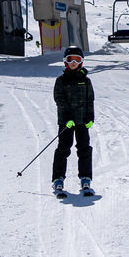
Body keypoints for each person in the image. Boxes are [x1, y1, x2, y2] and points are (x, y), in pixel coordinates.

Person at [52, 46, 95, 197]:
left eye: (77, 59)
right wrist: (67, 118)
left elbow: (90, 100)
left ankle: (85, 178)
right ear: (65, 62)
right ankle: (58, 179)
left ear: (82, 61)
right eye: (70, 59)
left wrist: (90, 117)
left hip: (82, 121)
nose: (74, 62)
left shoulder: (86, 81)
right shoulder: (61, 81)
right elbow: (60, 100)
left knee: (84, 148)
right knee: (63, 148)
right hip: (66, 122)